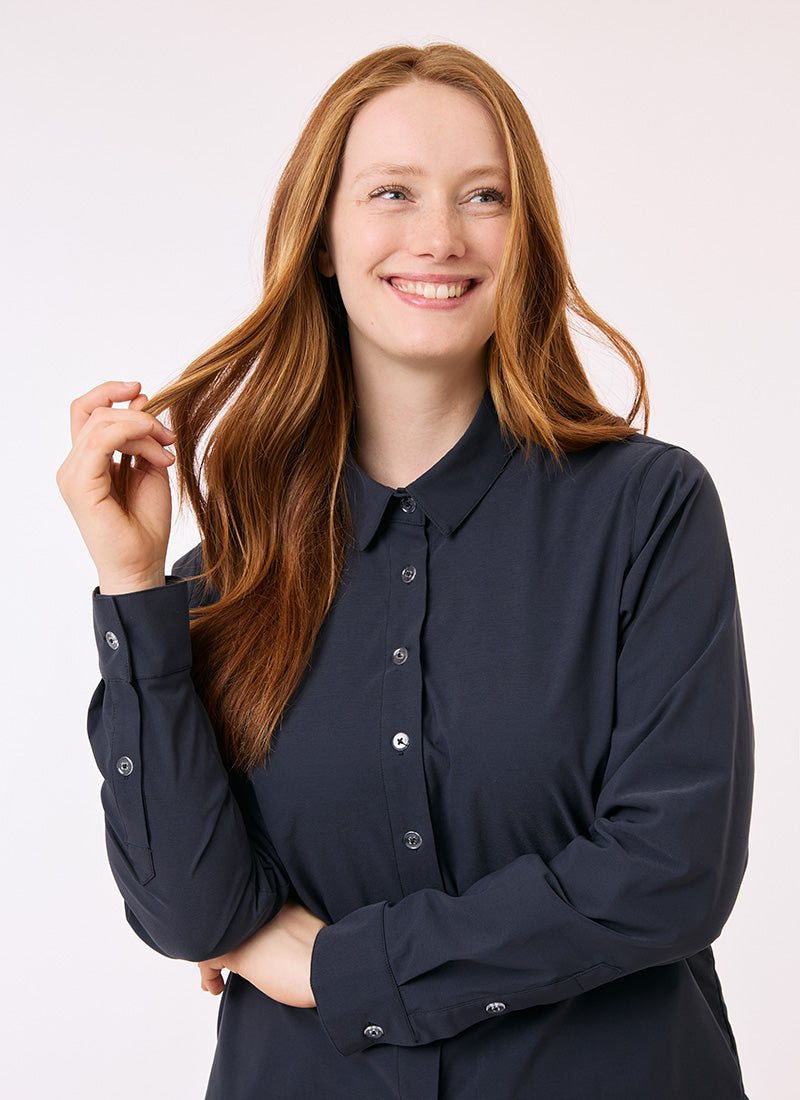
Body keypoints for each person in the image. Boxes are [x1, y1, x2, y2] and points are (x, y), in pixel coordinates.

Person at [57, 43, 754, 1100]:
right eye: (392, 192)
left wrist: (337, 968)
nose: (439, 237)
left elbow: (670, 871)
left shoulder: (646, 510)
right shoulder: (229, 574)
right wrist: (131, 585)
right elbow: (189, 913)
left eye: (484, 196)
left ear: (525, 239)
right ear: (322, 238)